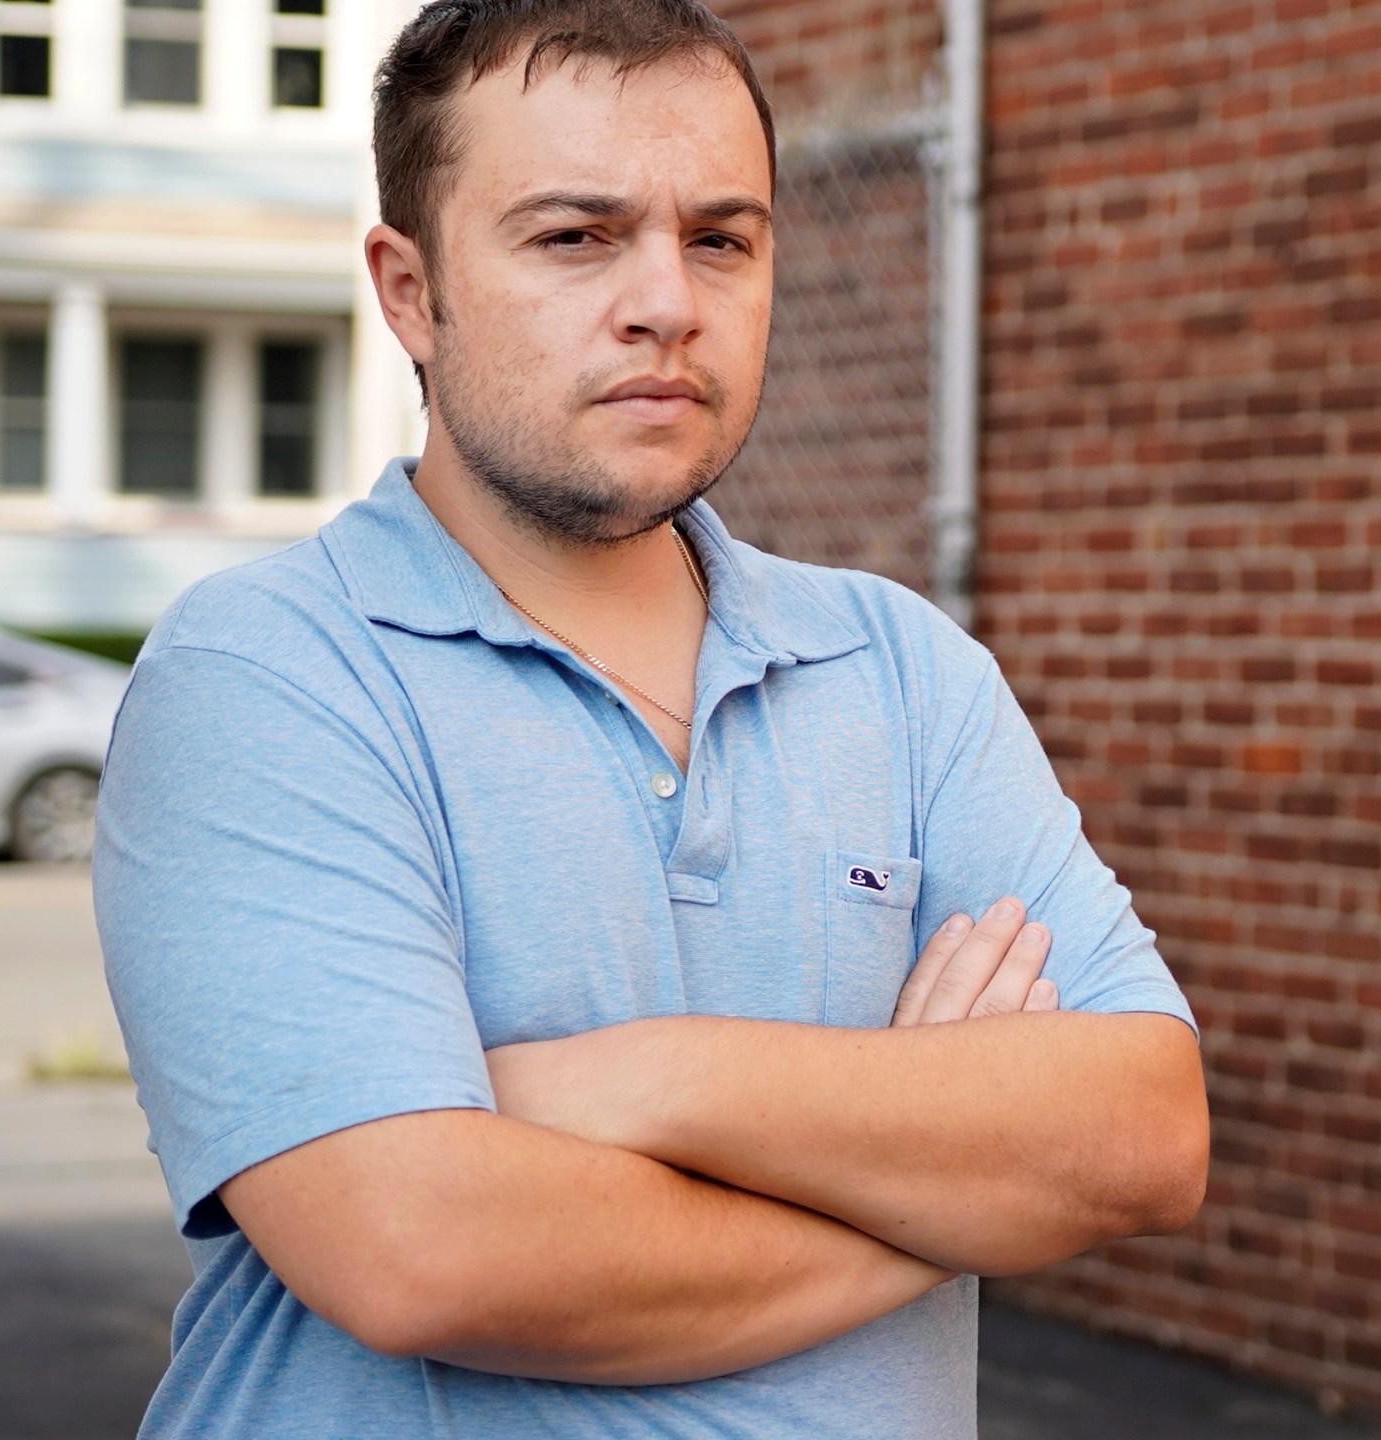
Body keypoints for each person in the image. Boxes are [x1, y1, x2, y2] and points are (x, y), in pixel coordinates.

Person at [91, 2, 1209, 1435]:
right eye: (574, 236)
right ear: (410, 290)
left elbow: (1144, 1135)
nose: (665, 302)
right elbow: (423, 1249)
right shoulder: (273, 676)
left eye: (721, 240)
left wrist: (646, 1079)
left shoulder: (902, 668)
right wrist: (947, 1182)